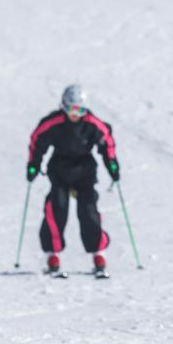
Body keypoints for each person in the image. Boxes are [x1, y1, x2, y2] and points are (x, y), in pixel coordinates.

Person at [27, 85, 120, 277]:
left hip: (85, 172)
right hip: (60, 171)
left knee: (88, 211)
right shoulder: (54, 123)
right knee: (57, 208)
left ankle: (98, 253)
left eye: (80, 110)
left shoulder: (92, 124)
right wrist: (34, 164)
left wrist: (112, 165)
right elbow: (38, 140)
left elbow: (107, 142)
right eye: (71, 110)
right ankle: (53, 254)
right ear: (64, 107)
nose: (75, 115)